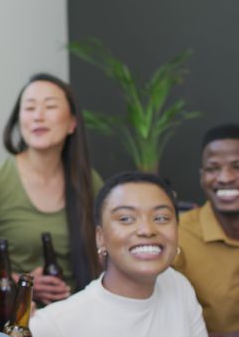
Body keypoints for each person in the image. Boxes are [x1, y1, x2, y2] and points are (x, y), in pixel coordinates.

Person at [0, 73, 102, 303]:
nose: (38, 116)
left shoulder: (87, 181)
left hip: (78, 309)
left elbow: (105, 249)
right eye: (29, 108)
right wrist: (19, 282)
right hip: (18, 315)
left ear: (72, 123)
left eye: (50, 106)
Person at [29, 171, 207, 337]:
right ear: (100, 237)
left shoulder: (178, 286)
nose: (146, 230)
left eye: (161, 218)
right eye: (126, 219)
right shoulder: (55, 325)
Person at [173, 123, 239, 336]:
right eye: (213, 168)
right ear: (202, 176)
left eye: (237, 166)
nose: (225, 178)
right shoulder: (178, 236)